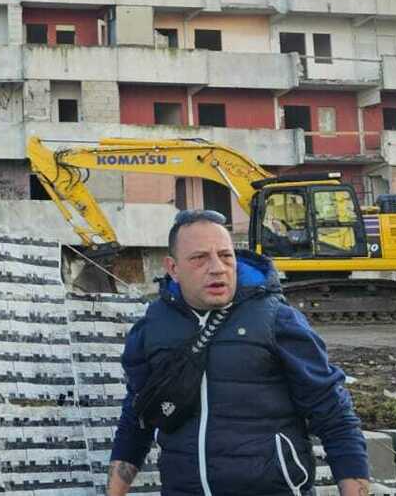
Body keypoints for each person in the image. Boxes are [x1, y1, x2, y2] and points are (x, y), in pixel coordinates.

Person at [107, 209, 370, 496]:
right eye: (199, 258)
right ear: (173, 268)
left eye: (225, 255)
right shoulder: (152, 327)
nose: (217, 268)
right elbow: (137, 417)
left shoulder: (276, 319)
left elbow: (334, 414)